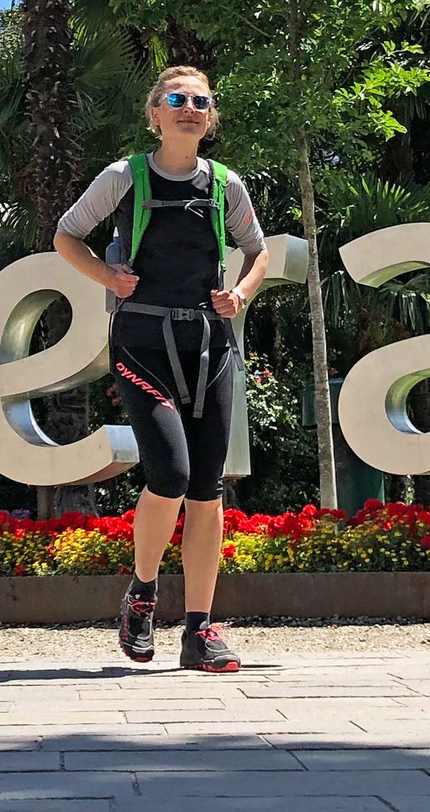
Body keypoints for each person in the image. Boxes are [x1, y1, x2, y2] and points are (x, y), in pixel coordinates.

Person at [54, 64, 269, 674]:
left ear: (210, 116)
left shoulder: (226, 185)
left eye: (201, 100)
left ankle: (200, 629)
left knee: (207, 488)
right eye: (176, 99)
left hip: (211, 345)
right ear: (154, 113)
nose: (189, 108)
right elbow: (67, 236)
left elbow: (257, 253)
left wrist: (243, 293)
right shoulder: (125, 177)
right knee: (169, 472)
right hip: (142, 339)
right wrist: (107, 277)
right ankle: (142, 594)